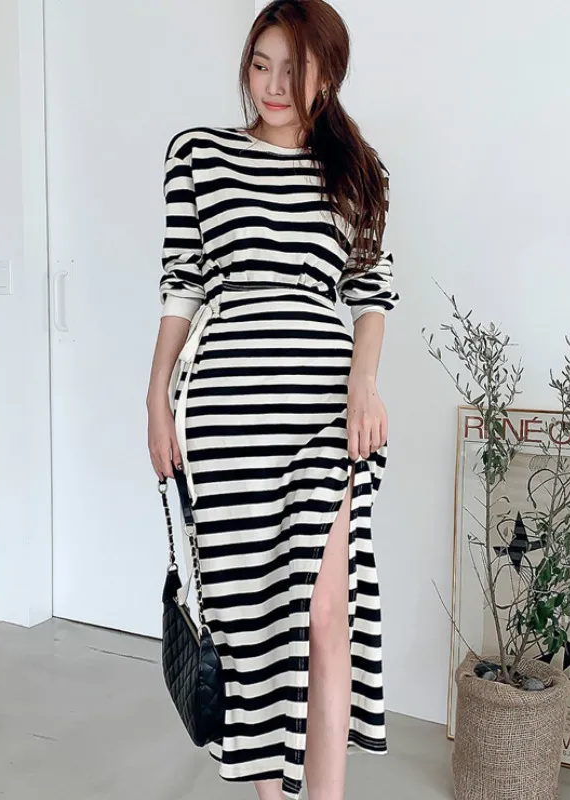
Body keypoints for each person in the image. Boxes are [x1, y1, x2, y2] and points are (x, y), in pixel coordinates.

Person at [146, 2, 400, 798]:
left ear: (330, 73)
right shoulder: (198, 155)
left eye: (296, 68)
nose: (274, 85)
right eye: (262, 64)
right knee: (251, 623)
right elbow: (182, 285)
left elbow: (371, 293)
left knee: (326, 616)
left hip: (324, 408)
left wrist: (364, 384)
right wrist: (156, 399)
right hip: (226, 410)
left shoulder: (356, 171)